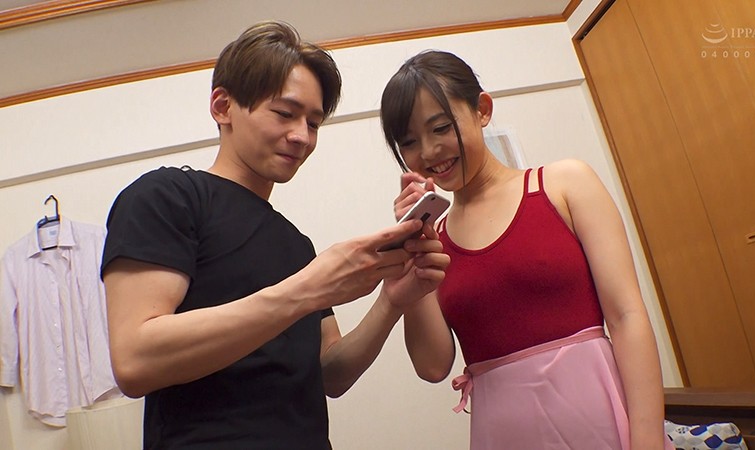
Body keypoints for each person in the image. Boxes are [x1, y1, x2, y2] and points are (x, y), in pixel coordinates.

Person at [100, 21, 449, 449]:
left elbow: (330, 374)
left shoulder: (296, 244)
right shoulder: (166, 196)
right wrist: (308, 289)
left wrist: (392, 300)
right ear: (223, 106)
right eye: (284, 113)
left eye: (314, 123)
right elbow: (135, 360)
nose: (302, 137)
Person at [379, 50, 673, 449]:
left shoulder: (566, 184)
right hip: (503, 434)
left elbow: (627, 317)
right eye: (410, 142)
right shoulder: (433, 242)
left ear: (482, 110)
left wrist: (648, 438)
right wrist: (411, 250)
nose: (429, 151)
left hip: (600, 420)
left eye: (441, 128)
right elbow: (432, 366)